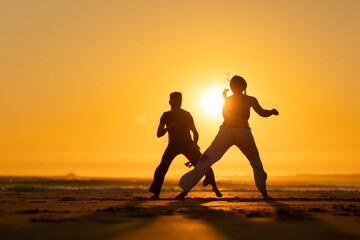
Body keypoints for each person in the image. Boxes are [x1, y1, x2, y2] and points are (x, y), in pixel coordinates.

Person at [177, 75, 279, 200]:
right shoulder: (250, 99)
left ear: (232, 87)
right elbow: (262, 113)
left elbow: (225, 116)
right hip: (242, 132)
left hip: (227, 131)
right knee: (255, 161)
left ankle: (185, 190)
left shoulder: (233, 99)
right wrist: (272, 111)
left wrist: (225, 100)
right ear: (244, 87)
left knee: (206, 159)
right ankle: (264, 193)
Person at [149, 92, 222, 199]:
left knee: (203, 164)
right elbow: (159, 134)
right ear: (170, 102)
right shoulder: (166, 115)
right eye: (175, 101)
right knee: (161, 168)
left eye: (179, 101)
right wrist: (168, 128)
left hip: (187, 145)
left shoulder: (186, 115)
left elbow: (195, 132)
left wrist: (195, 144)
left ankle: (214, 187)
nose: (177, 103)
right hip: (172, 146)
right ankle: (156, 193)